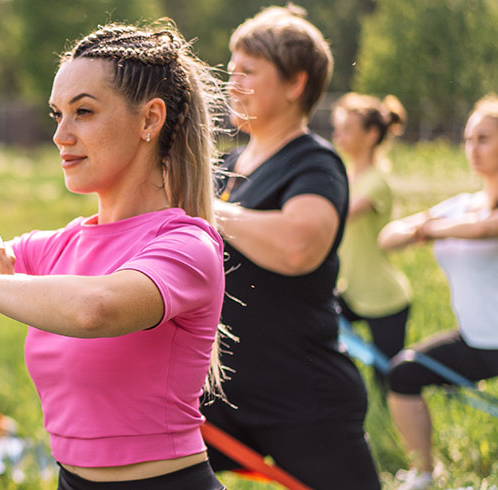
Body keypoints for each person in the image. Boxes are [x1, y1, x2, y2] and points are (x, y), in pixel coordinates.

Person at [0, 22, 227, 489]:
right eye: (57, 114)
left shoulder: (186, 244)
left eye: (83, 112)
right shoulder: (57, 246)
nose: (61, 135)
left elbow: (95, 310)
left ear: (149, 120)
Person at [204, 6, 381, 489]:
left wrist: (202, 210)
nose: (231, 81)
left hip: (302, 393)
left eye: (248, 71)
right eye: (230, 68)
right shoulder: (226, 164)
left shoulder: (316, 163)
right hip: (217, 389)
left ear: (295, 83)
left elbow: (301, 246)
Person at [378, 95, 498, 490]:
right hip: (477, 340)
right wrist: (427, 225)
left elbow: (485, 229)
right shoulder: (462, 206)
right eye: (468, 139)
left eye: (484, 139)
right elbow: (389, 237)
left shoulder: (461, 216)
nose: (473, 149)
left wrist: (431, 227)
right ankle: (424, 472)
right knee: (404, 374)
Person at [332, 92, 412, 383]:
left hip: (384, 298)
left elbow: (340, 217)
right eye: (338, 127)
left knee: (389, 382)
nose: (338, 135)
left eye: (347, 129)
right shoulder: (347, 175)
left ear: (371, 134)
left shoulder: (376, 182)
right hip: (350, 291)